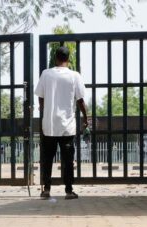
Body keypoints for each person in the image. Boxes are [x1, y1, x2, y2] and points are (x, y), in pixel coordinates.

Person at [35, 46, 89, 200]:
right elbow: (80, 100)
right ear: (68, 59)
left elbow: (40, 96)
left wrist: (44, 108)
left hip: (49, 125)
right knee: (67, 160)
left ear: (55, 58)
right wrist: (85, 117)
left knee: (47, 159)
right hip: (67, 126)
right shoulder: (74, 75)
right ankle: (68, 190)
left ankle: (46, 190)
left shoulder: (46, 74)